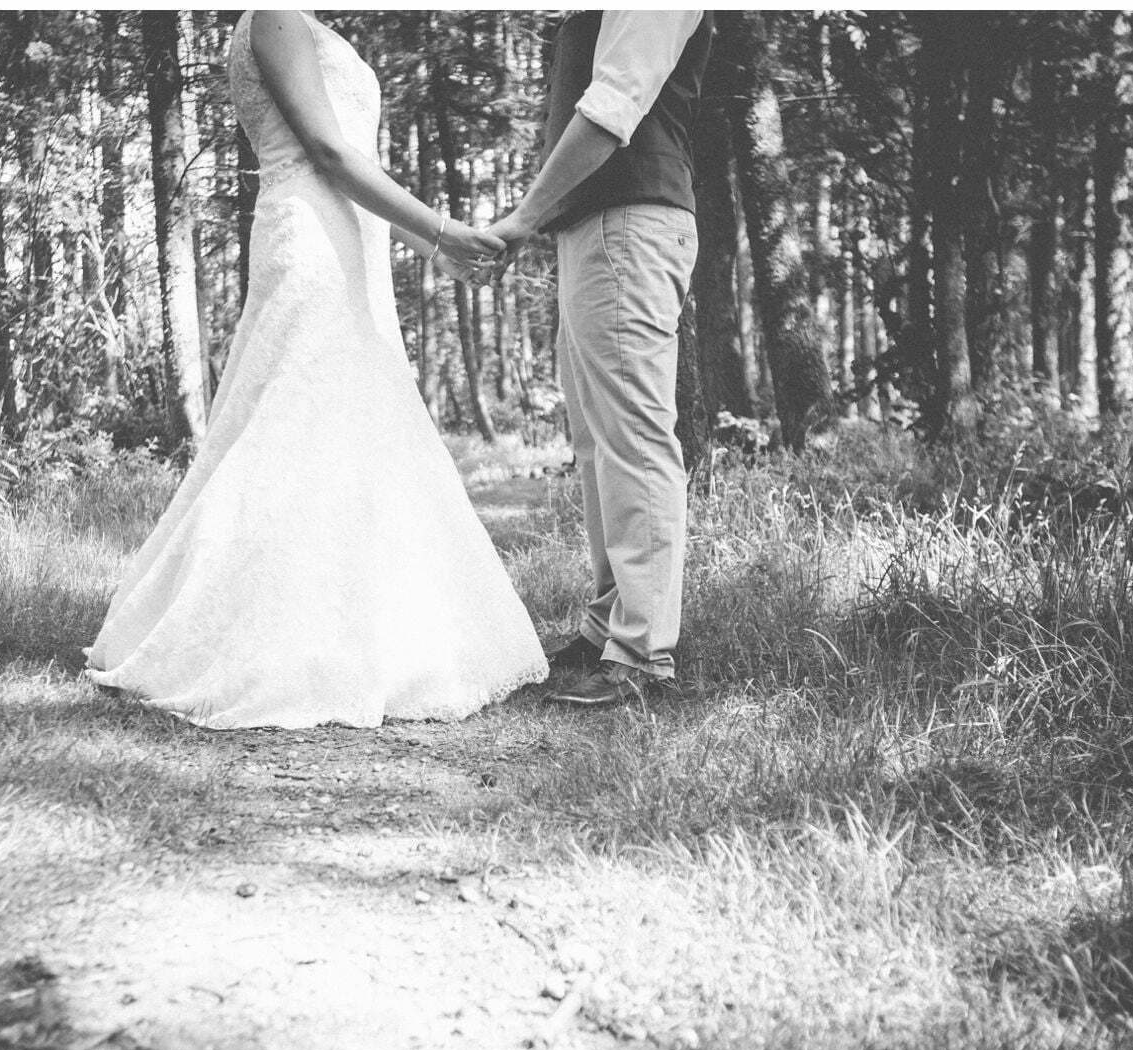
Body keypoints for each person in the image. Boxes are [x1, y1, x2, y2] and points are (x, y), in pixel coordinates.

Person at [84, 11, 547, 729]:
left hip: (354, 241)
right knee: (291, 425)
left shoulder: (309, 23)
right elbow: (328, 154)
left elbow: (354, 163)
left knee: (358, 429)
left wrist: (423, 248)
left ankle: (376, 633)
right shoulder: (271, 17)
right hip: (307, 235)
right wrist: (442, 229)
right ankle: (271, 637)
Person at [490, 11, 713, 708]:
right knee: (597, 440)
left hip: (632, 219)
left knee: (635, 439)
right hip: (597, 224)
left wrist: (523, 216)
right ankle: (609, 626)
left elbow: (614, 105)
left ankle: (645, 652)